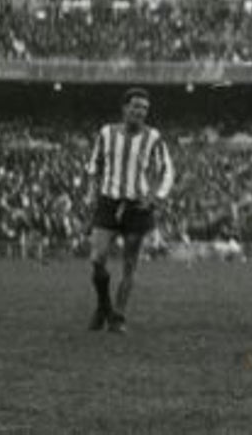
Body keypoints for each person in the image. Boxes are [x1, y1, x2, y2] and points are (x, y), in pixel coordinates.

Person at [86, 88, 175, 334]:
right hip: (109, 202)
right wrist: (92, 195)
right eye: (136, 106)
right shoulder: (106, 133)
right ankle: (104, 306)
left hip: (137, 207)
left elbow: (167, 171)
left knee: (129, 265)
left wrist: (156, 199)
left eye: (145, 108)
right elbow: (94, 167)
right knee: (97, 258)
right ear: (124, 108)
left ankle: (119, 315)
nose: (140, 112)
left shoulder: (154, 137)